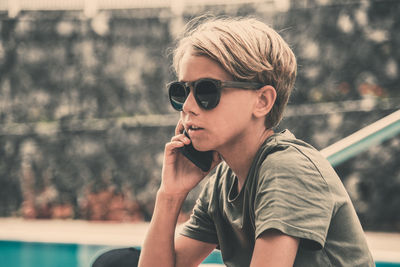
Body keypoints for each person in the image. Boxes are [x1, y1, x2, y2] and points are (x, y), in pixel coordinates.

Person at [94, 16, 375, 267]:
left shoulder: (287, 169)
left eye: (207, 90)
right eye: (181, 91)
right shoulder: (223, 182)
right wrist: (169, 195)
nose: (188, 106)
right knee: (114, 263)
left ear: (262, 101)